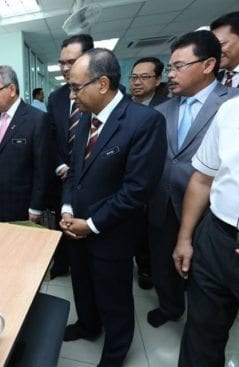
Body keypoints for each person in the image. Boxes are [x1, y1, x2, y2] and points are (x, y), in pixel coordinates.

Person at [173, 16, 239, 367]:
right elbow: (203, 178)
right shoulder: (236, 108)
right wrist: (186, 237)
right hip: (216, 243)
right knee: (200, 337)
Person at [60, 48, 166, 366]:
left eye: (77, 87)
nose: (72, 94)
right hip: (75, 226)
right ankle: (88, 325)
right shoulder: (84, 121)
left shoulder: (144, 122)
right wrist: (66, 209)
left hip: (111, 232)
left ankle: (115, 352)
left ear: (103, 83)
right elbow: (74, 171)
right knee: (82, 285)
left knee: (115, 298)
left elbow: (136, 191)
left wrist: (91, 224)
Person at [146, 30, 239, 328]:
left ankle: (204, 320)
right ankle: (170, 307)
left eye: (178, 66)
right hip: (163, 204)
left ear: (208, 64)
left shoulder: (237, 104)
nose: (170, 74)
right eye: (170, 67)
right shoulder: (161, 111)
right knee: (163, 264)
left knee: (206, 274)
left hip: (212, 210)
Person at [0, 65, 49, 223]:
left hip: (20, 206)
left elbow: (42, 169)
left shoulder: (37, 119)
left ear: (12, 89)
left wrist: (36, 206)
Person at [46, 34, 93, 279]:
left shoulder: (104, 96)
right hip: (63, 177)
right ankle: (62, 264)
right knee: (63, 224)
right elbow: (51, 137)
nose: (65, 68)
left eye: (71, 62)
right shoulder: (56, 98)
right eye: (62, 62)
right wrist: (61, 165)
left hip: (94, 179)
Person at [128, 56, 170, 290]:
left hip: (155, 185)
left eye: (145, 77)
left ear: (157, 80)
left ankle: (147, 269)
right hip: (126, 182)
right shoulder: (123, 105)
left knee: (151, 235)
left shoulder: (166, 107)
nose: (137, 82)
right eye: (134, 77)